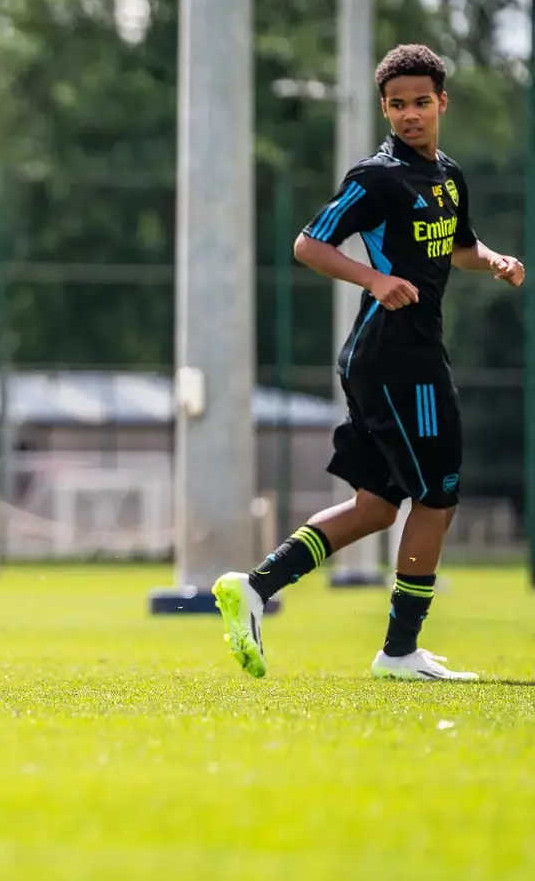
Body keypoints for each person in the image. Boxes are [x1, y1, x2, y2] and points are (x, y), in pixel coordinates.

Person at [213, 44, 523, 681]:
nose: (410, 114)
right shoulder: (376, 177)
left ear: (442, 102)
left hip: (406, 354)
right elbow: (309, 243)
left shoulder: (447, 176)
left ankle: (254, 588)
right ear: (384, 109)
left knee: (379, 506)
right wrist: (373, 279)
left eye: (421, 102)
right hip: (394, 360)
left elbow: (459, 246)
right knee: (436, 499)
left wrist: (492, 260)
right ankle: (400, 651)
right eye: (397, 104)